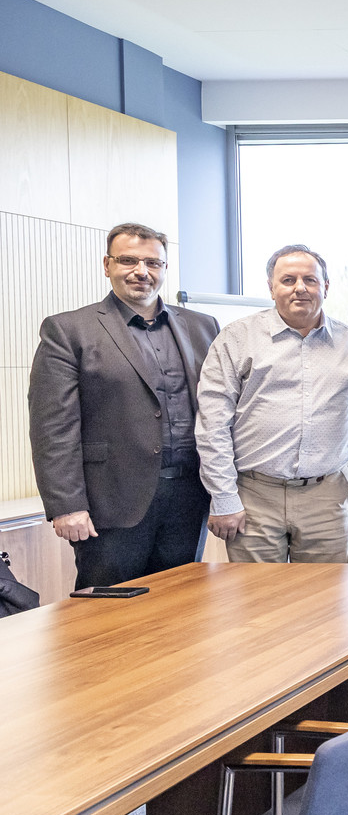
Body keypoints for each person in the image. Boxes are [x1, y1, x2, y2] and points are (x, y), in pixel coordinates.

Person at [28, 222, 220, 588]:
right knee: (107, 609)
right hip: (111, 501)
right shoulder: (69, 330)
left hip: (189, 497)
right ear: (107, 265)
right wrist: (67, 505)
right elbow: (52, 427)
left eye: (153, 262)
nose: (141, 271)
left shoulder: (203, 327)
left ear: (164, 268)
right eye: (128, 260)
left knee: (181, 603)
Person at [196, 244, 348, 563]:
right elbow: (212, 426)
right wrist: (223, 497)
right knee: (257, 593)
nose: (300, 288)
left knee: (324, 592)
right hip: (253, 496)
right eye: (288, 280)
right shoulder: (236, 339)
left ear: (325, 287)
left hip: (327, 497)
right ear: (271, 287)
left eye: (310, 280)